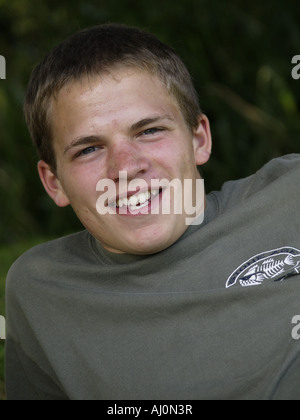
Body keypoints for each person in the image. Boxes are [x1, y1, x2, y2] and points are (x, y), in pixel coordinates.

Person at [5, 23, 300, 400]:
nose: (126, 168)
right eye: (88, 150)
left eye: (149, 131)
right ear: (54, 183)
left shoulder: (289, 194)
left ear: (199, 139)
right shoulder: (41, 289)